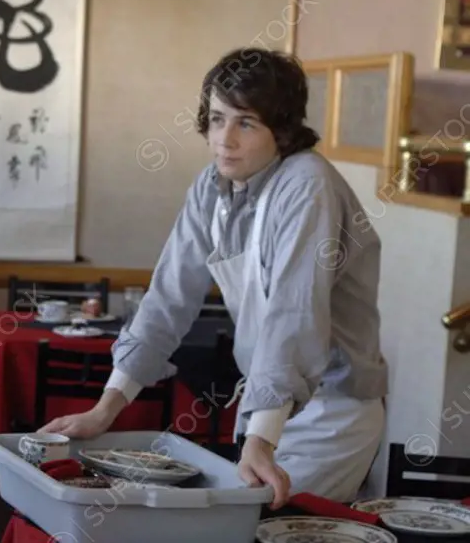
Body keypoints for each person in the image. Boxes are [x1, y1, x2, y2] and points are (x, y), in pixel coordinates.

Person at [42, 48, 388, 508]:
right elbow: (169, 296)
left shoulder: (307, 185)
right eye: (217, 118)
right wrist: (106, 408)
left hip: (331, 412)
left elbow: (294, 314)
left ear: (281, 131)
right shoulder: (213, 187)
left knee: (258, 527)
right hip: (268, 405)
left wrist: (261, 441)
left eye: (246, 123)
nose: (224, 139)